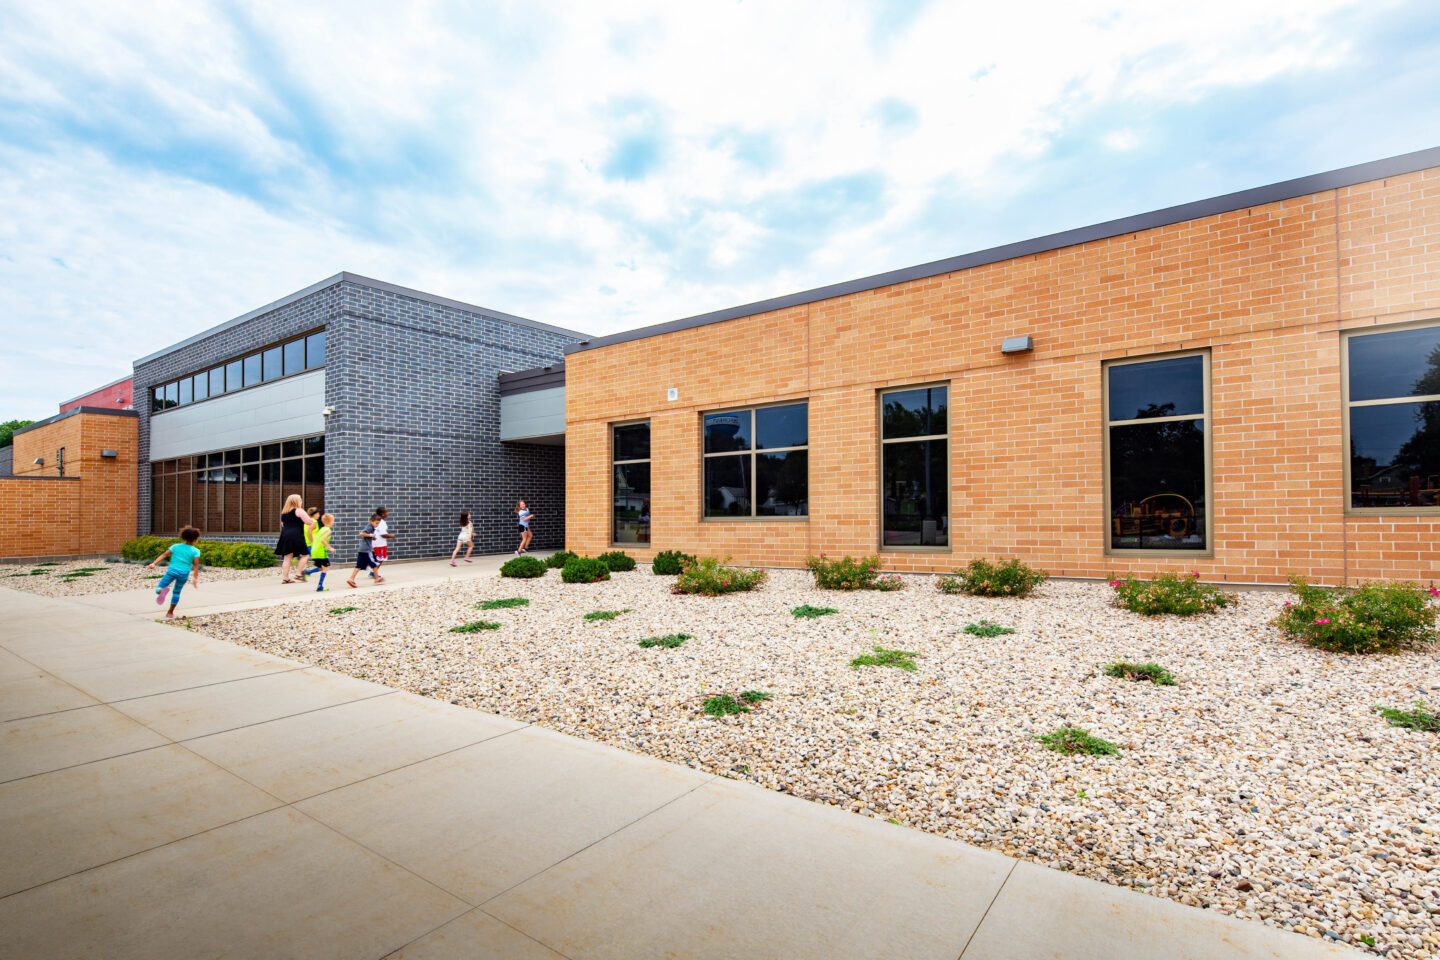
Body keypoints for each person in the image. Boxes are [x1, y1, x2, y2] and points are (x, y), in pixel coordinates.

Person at [148, 526, 201, 619]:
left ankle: (162, 591)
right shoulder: (195, 551)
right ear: (196, 539)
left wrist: (154, 563)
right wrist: (195, 578)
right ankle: (170, 612)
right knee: (176, 592)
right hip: (183, 574)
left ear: (183, 537)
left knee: (159, 587)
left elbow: (164, 554)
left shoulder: (175, 546)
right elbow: (196, 565)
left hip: (172, 571)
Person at [274, 493, 316, 583]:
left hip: (285, 535)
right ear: (297, 501)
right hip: (296, 535)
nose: (301, 501)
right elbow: (309, 522)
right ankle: (298, 574)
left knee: (287, 557)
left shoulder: (284, 513)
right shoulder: (299, 511)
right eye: (300, 499)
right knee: (305, 555)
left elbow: (283, 524)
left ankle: (285, 578)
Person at [347, 513, 385, 588]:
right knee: (374, 564)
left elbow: (366, 535)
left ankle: (351, 579)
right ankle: (377, 579)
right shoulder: (369, 526)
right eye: (376, 523)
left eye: (378, 524)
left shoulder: (371, 527)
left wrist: (372, 537)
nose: (377, 525)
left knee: (359, 566)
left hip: (362, 550)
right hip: (366, 550)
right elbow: (362, 533)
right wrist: (371, 535)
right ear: (371, 521)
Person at [303, 513, 334, 591]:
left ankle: (308, 572)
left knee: (320, 568)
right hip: (321, 552)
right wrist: (330, 548)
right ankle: (320, 586)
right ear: (331, 521)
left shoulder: (322, 529)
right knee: (325, 568)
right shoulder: (328, 530)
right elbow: (323, 540)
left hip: (314, 551)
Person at [297, 506, 321, 582]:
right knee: (320, 563)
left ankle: (303, 570)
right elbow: (309, 531)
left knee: (306, 557)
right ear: (314, 514)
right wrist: (312, 542)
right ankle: (305, 572)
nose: (319, 514)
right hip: (312, 543)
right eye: (317, 513)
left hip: (306, 542)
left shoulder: (306, 521)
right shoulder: (314, 522)